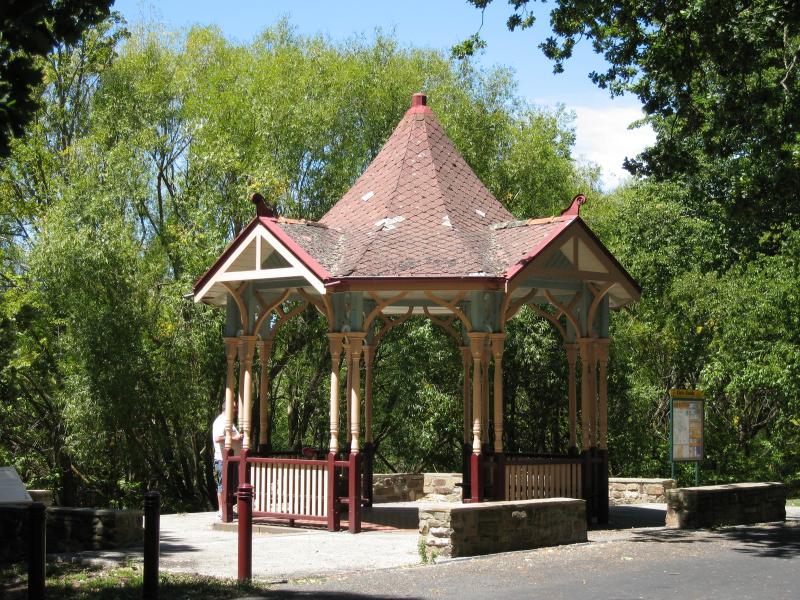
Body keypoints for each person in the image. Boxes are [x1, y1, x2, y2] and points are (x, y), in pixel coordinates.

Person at [212, 403, 242, 518]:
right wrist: (234, 438)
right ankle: (222, 510)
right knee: (222, 485)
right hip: (221, 459)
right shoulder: (220, 421)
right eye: (234, 408)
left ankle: (227, 508)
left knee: (229, 485)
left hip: (232, 458)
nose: (236, 410)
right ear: (227, 408)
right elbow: (217, 438)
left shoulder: (229, 422)